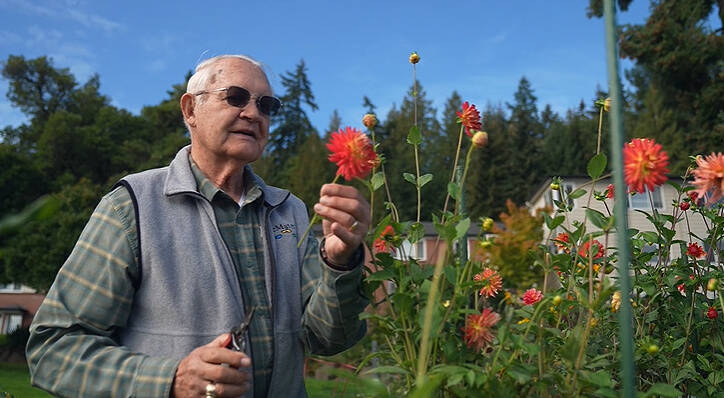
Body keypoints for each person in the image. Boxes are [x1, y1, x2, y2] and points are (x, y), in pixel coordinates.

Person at [26, 54, 370, 398]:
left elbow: (327, 339)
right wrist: (170, 381)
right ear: (190, 110)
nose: (253, 113)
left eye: (266, 105)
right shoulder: (131, 206)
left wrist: (340, 263)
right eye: (235, 97)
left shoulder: (290, 211)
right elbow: (53, 350)